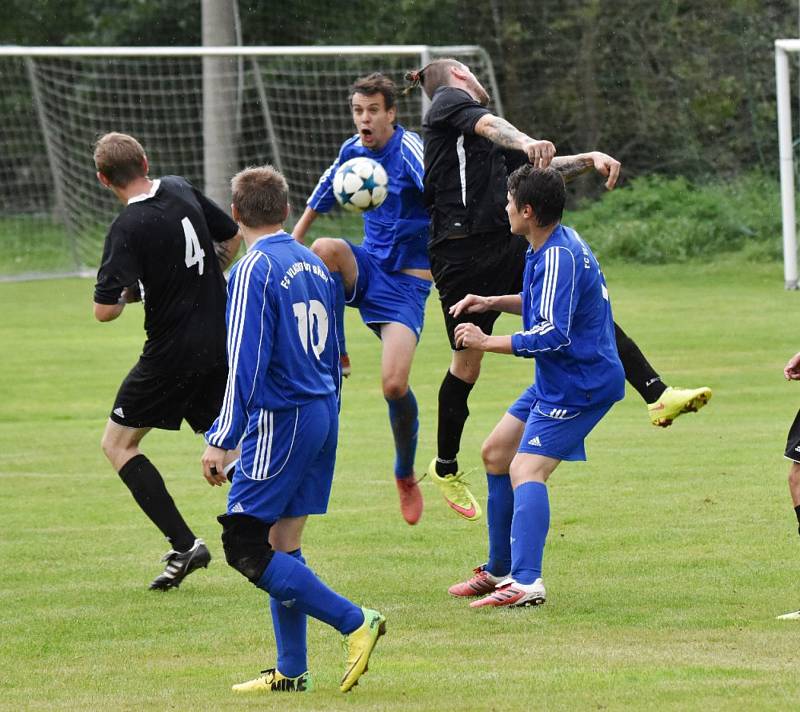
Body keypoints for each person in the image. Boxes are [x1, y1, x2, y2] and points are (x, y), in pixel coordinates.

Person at [404, 58, 711, 521]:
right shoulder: (448, 100)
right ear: (462, 74)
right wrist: (528, 140)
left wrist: (589, 159)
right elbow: (495, 126)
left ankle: (657, 394)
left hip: (502, 245)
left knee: (587, 310)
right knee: (467, 366)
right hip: (460, 254)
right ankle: (445, 465)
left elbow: (538, 174)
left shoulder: (488, 143)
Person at [202, 165, 385, 694]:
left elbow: (244, 361)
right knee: (282, 542)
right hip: (321, 410)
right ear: (285, 210)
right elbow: (335, 357)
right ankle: (291, 671)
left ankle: (357, 622)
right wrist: (326, 417)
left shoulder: (251, 270)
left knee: (244, 544)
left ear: (236, 215)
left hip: (283, 418)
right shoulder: (312, 262)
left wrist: (222, 435)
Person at [447, 165, 624, 606]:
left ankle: (526, 583)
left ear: (527, 210)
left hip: (579, 384)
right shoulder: (547, 245)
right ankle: (500, 569)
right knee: (495, 453)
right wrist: (491, 301)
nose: (504, 207)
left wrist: (486, 341)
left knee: (527, 469)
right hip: (560, 378)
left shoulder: (558, 255)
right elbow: (543, 301)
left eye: (509, 201)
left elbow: (552, 333)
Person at [92, 132, 242, 591]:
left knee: (117, 445)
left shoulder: (127, 228)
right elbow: (232, 239)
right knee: (228, 449)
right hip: (219, 340)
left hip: (170, 355)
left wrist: (129, 293)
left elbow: (105, 310)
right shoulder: (178, 186)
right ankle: (275, 538)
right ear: (145, 161)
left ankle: (185, 545)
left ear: (103, 180)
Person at [292, 73, 431, 525]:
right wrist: (285, 248)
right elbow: (318, 197)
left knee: (394, 386)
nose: (364, 119)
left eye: (372, 110)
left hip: (408, 284)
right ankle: (338, 351)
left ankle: (404, 472)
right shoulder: (352, 151)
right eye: (358, 110)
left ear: (392, 113)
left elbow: (446, 196)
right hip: (368, 267)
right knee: (323, 251)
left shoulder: (410, 150)